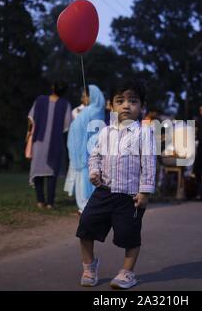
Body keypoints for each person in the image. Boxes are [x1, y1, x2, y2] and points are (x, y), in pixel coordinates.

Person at [76, 79, 156, 290]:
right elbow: (95, 157)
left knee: (130, 236)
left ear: (141, 106)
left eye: (133, 101)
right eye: (120, 101)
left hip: (130, 197)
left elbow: (148, 163)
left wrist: (145, 192)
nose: (126, 105)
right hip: (104, 192)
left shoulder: (144, 133)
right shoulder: (105, 132)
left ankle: (127, 273)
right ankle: (89, 265)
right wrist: (94, 172)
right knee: (85, 227)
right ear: (111, 105)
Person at [27, 81, 72, 210]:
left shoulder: (40, 100)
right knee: (52, 173)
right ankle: (50, 203)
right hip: (55, 142)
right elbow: (67, 125)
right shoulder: (65, 104)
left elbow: (31, 119)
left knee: (37, 172)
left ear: (53, 87)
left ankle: (40, 201)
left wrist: (28, 134)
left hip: (39, 142)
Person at [64, 85, 105, 214]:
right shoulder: (90, 110)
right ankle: (85, 206)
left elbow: (93, 132)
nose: (83, 97)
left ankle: (87, 206)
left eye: (85, 95)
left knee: (87, 180)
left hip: (87, 152)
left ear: (92, 95)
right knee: (84, 180)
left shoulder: (94, 110)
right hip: (82, 152)